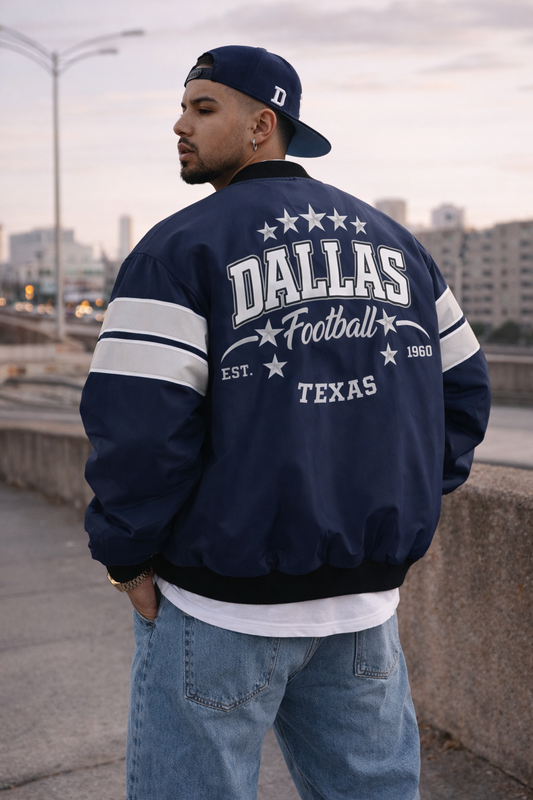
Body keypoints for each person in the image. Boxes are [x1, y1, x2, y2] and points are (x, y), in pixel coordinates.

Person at [80, 45, 491, 800]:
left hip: (219, 606)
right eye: (183, 107)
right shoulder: (397, 245)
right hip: (363, 610)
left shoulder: (177, 248)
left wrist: (124, 554)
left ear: (262, 124)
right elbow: (461, 395)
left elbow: (138, 429)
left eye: (203, 108)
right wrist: (393, 508)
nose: (179, 124)